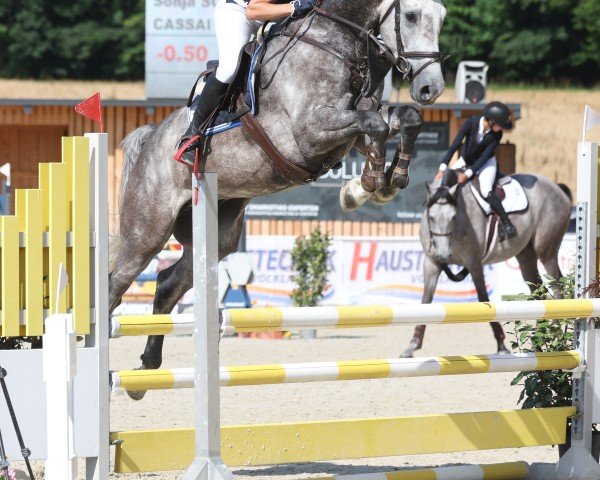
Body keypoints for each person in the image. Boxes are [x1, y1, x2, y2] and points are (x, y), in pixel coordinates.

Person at [174, 0, 316, 164]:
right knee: (230, 68)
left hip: (276, 15)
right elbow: (253, 10)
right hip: (239, 11)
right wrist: (293, 7)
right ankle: (192, 135)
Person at [435, 101, 516, 240]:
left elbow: (484, 157)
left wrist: (468, 174)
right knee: (446, 180)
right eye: (500, 125)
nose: (501, 128)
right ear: (490, 121)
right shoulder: (471, 122)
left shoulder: (497, 135)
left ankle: (507, 223)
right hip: (466, 160)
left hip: (486, 164)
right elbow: (455, 144)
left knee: (485, 190)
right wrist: (442, 167)